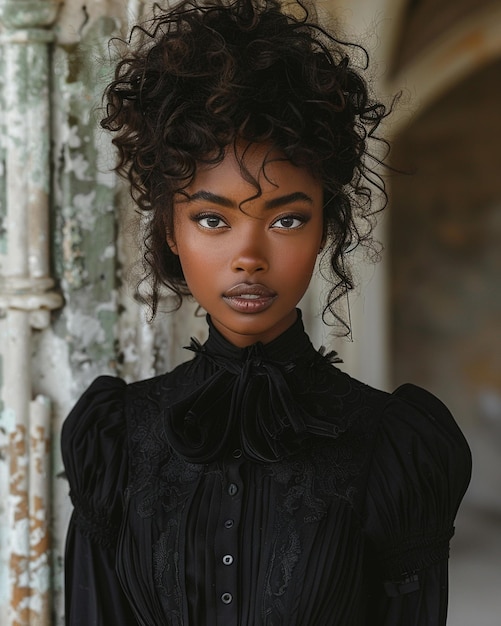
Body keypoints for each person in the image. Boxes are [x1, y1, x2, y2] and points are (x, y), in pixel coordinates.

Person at [61, 0, 471, 624]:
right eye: (212, 219)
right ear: (171, 231)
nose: (248, 256)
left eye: (285, 218)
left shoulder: (393, 449)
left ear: (324, 227)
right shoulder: (115, 441)